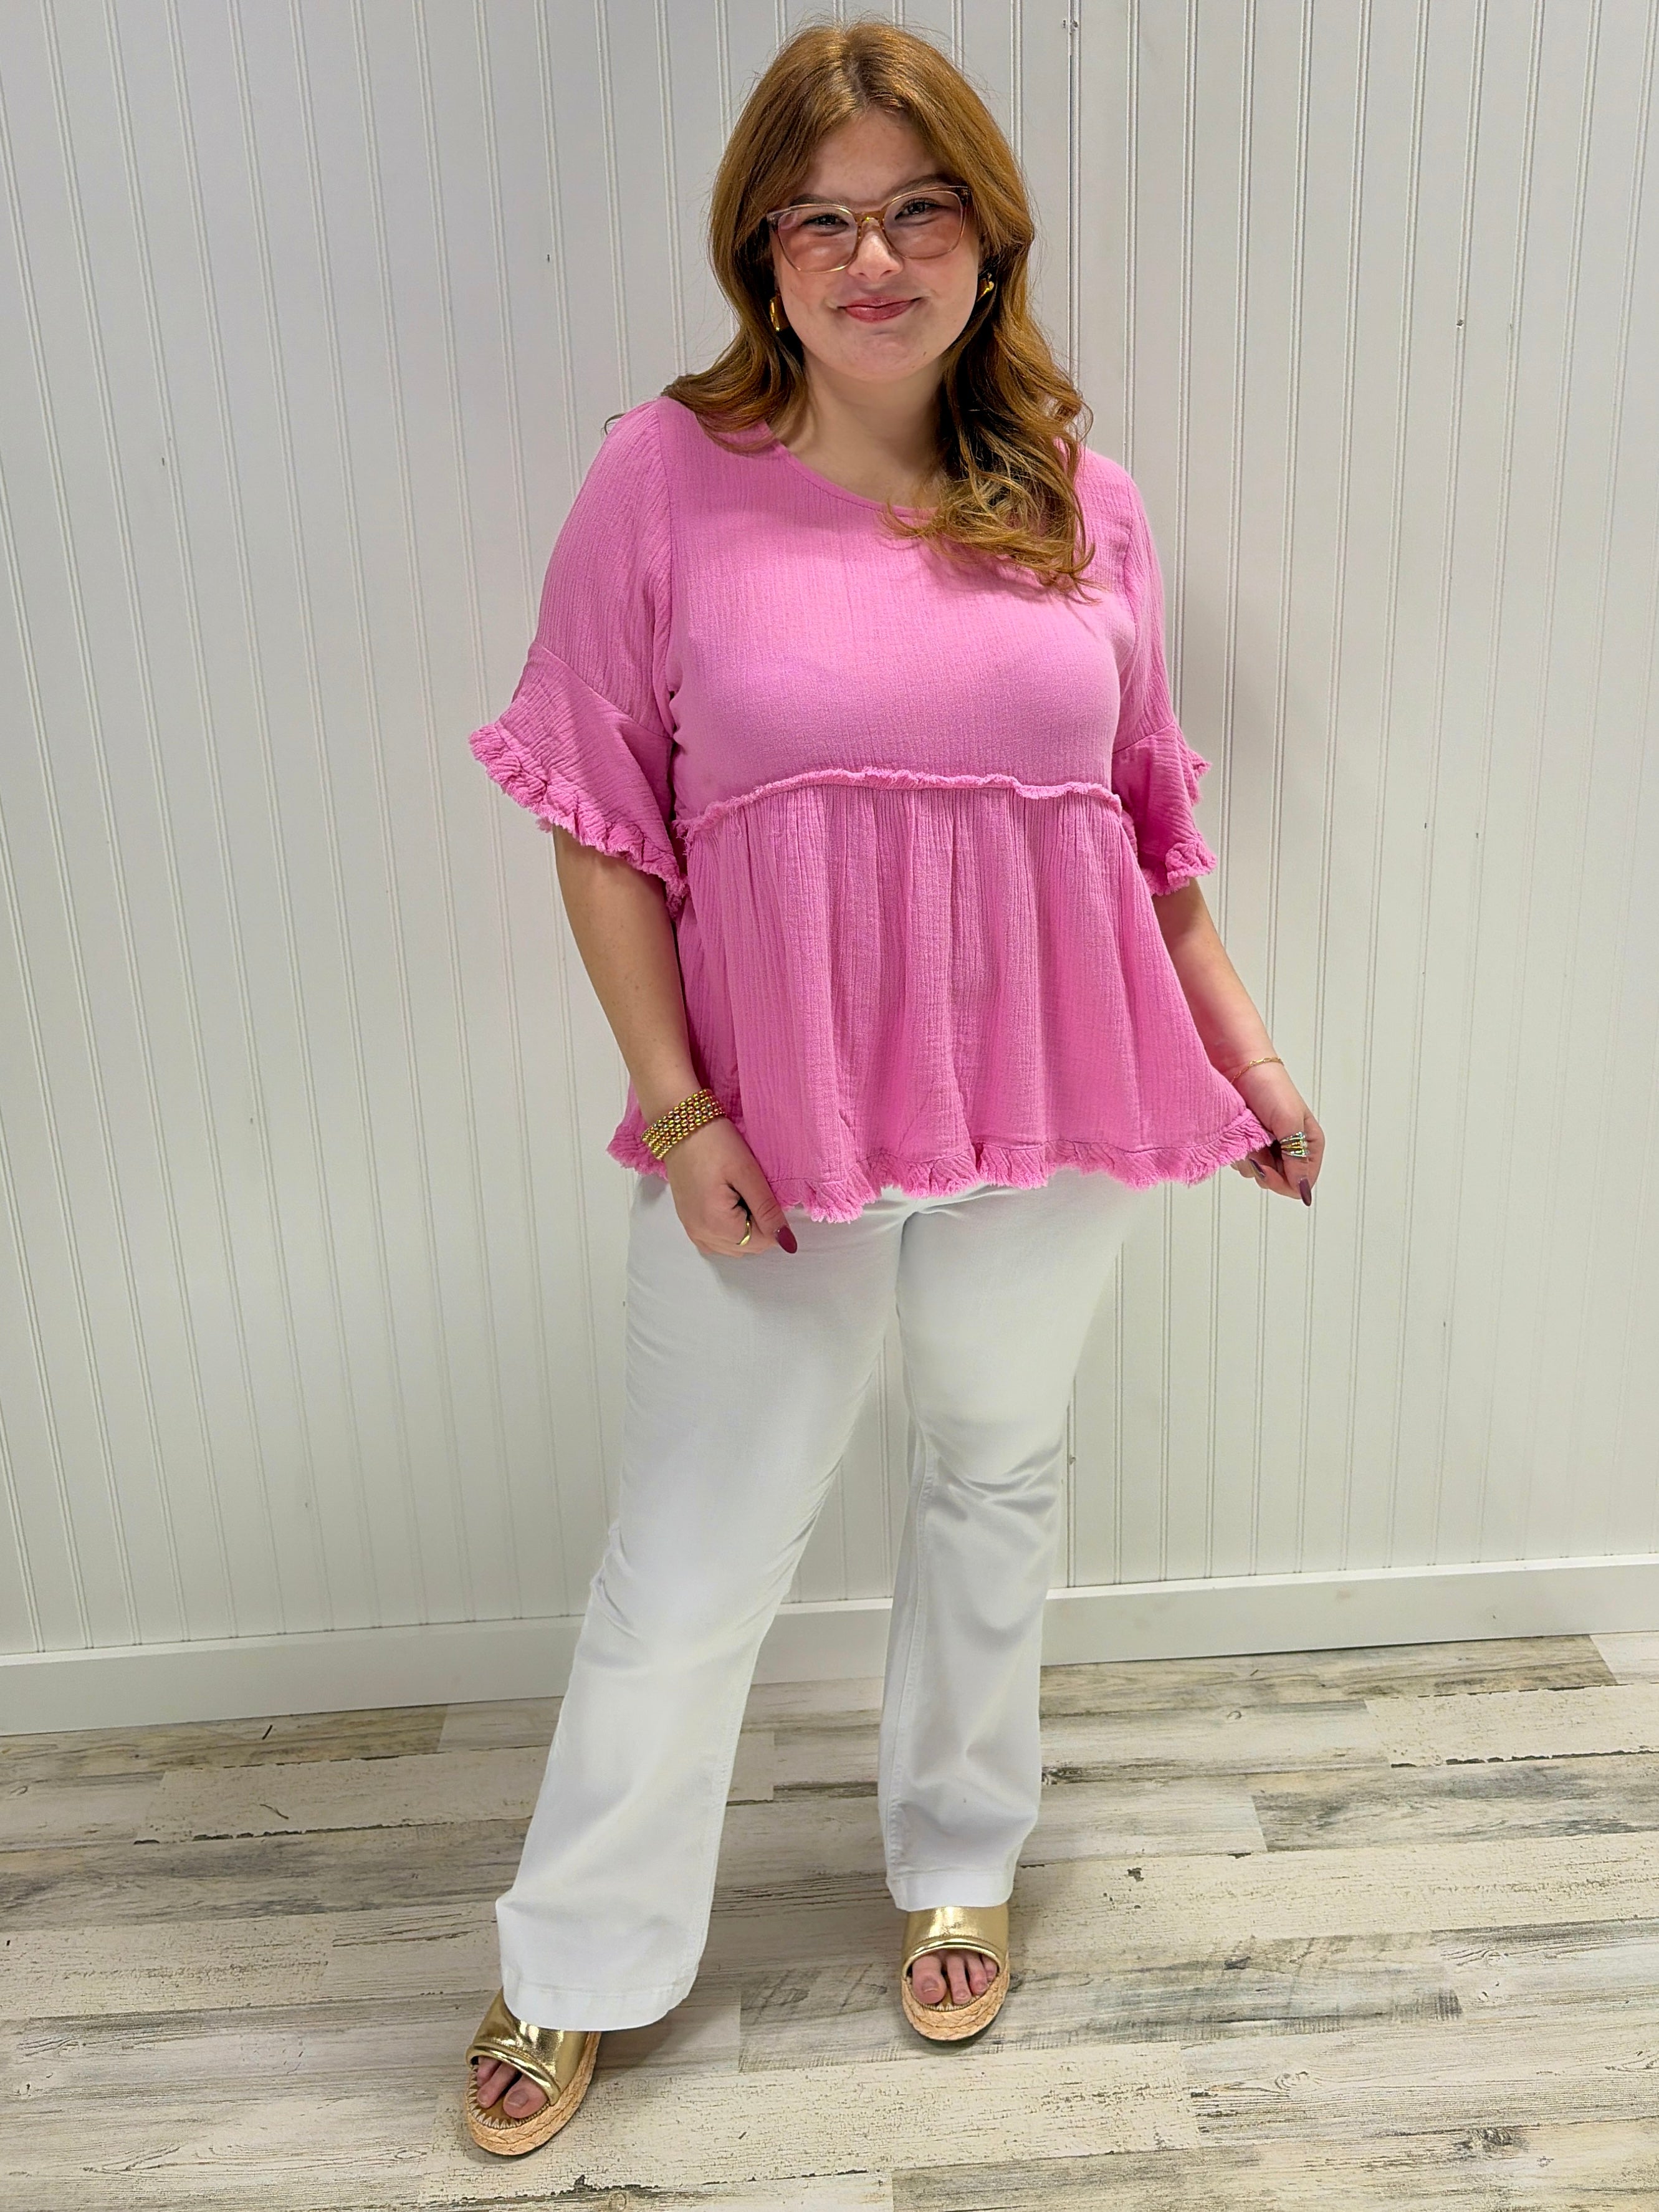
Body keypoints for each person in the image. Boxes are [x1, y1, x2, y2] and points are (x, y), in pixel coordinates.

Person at [458, 17, 1324, 2159]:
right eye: (823, 219)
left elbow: (1146, 836)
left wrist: (1249, 1060)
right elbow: (597, 819)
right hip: (776, 1134)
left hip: (1056, 1101)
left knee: (993, 1478)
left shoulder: (1086, 504)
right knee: (692, 1552)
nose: (874, 257)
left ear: (986, 238)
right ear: (761, 253)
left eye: (919, 210)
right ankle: (575, 1959)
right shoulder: (661, 477)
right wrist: (681, 1113)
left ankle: (960, 1850)